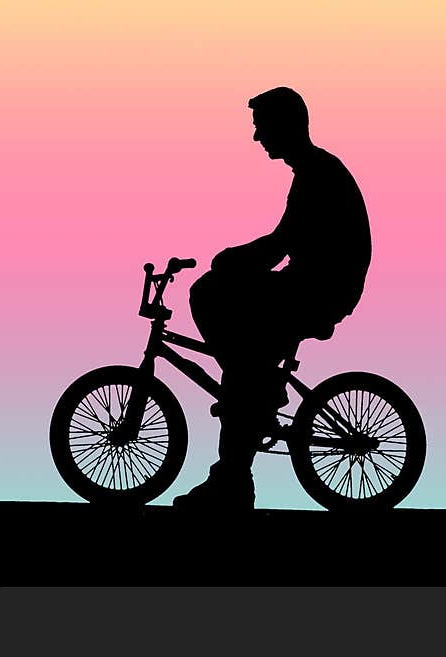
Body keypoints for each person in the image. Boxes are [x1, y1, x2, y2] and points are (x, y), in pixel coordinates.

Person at [173, 87, 372, 510]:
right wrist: (242, 260)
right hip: (312, 285)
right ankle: (252, 388)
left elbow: (279, 246)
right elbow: (282, 245)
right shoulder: (314, 172)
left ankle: (233, 472)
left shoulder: (318, 175)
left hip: (317, 291)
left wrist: (232, 259)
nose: (257, 137)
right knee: (234, 337)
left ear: (285, 126)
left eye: (262, 127)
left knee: (210, 295)